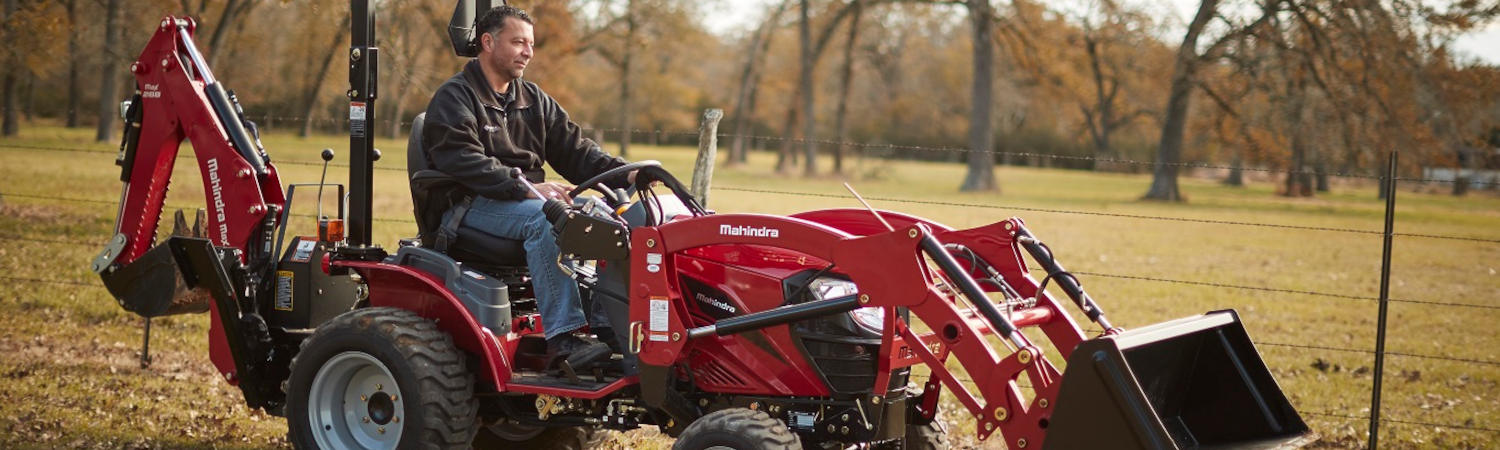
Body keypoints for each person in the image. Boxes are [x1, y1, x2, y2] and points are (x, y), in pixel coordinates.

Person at [418, 5, 624, 373]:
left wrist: (628, 175)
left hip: (520, 199)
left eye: (530, 43)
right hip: (469, 204)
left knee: (603, 216)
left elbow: (577, 152)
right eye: (517, 42)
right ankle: (564, 341)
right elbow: (464, 161)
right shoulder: (455, 98)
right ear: (488, 42)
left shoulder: (532, 99)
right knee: (547, 219)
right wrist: (528, 187)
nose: (527, 51)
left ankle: (607, 328)